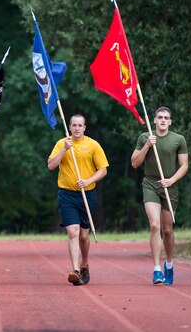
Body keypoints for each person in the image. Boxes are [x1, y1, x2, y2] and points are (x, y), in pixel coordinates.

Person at [47, 114, 108, 286]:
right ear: (69, 127)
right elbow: (51, 165)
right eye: (74, 125)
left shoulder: (92, 145)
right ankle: (75, 270)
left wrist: (88, 181)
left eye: (80, 125)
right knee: (72, 232)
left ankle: (84, 264)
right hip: (67, 194)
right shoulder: (62, 143)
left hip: (87, 194)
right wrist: (64, 149)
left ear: (84, 127)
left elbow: (103, 169)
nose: (76, 128)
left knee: (83, 235)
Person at [131, 106, 188, 285]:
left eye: (166, 118)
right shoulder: (144, 137)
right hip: (150, 184)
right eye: (160, 117)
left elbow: (184, 166)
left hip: (169, 187)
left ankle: (169, 264)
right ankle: (156, 270)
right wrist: (148, 145)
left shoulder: (178, 139)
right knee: (155, 226)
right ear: (154, 120)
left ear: (170, 121)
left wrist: (171, 181)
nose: (163, 120)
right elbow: (134, 163)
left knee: (167, 230)